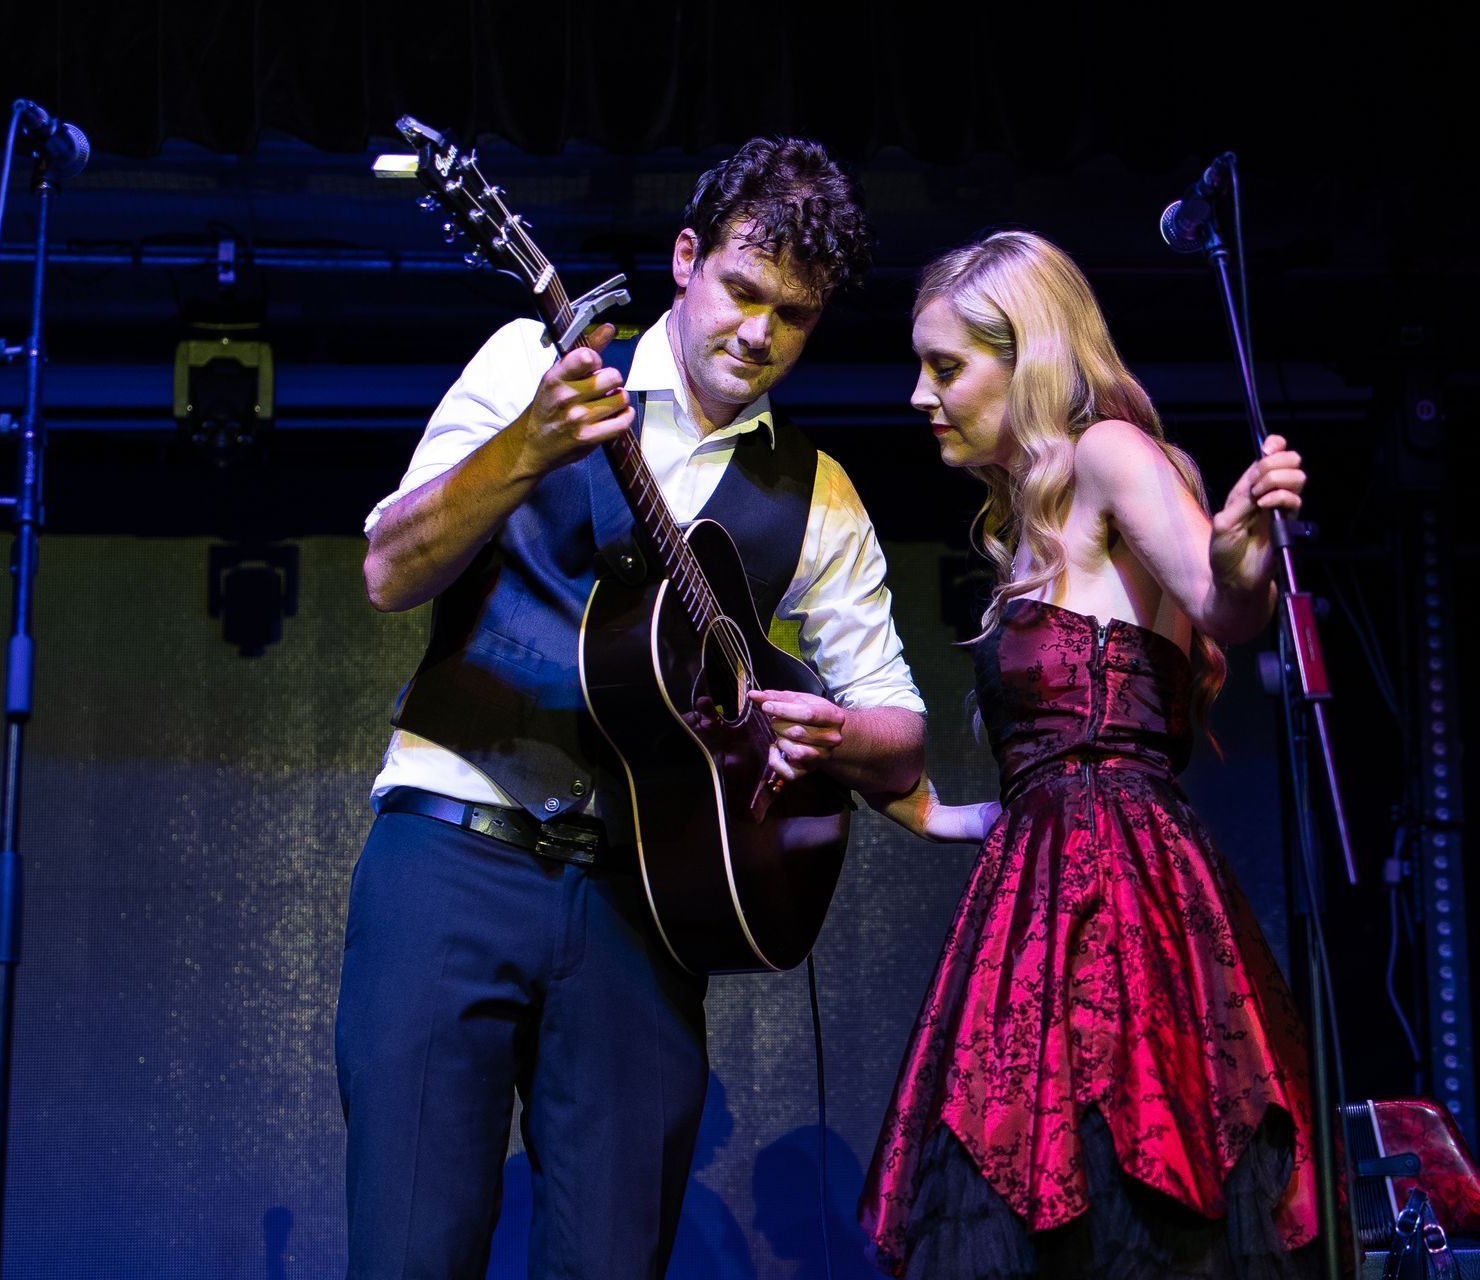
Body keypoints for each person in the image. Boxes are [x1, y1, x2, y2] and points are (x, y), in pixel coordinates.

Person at [335, 136, 928, 1278]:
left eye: (793, 317)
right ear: (686, 257)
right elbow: (386, 570)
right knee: (410, 1248)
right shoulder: (535, 360)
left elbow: (898, 731)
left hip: (640, 909)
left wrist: (828, 730)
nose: (758, 334)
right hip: (452, 849)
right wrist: (527, 448)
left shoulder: (820, 494)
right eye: (743, 293)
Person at [852, 229, 1318, 1278]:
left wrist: (1241, 560)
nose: (920, 394)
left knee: (1124, 1175)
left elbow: (1217, 596)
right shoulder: (1027, 529)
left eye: (945, 365)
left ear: (1029, 359)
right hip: (1037, 894)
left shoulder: (1110, 451)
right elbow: (1036, 781)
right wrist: (921, 807)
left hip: (1117, 896)